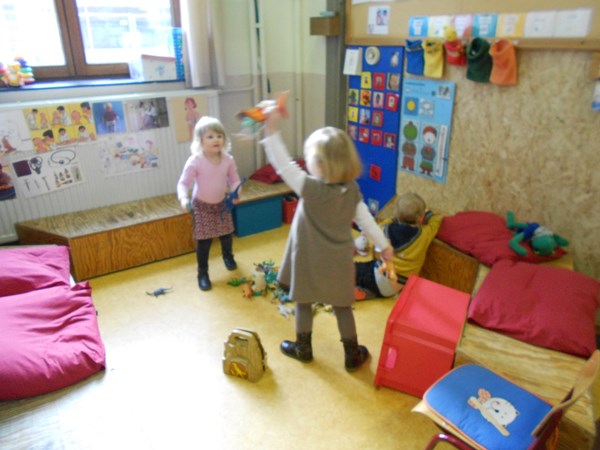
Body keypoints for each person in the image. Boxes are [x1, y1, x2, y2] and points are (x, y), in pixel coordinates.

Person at [261, 107, 395, 372]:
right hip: (338, 261)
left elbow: (283, 165)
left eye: (310, 158)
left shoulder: (309, 187)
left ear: (320, 164)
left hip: (308, 258)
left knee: (303, 302)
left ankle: (303, 348)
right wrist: (384, 246)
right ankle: (352, 354)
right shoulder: (352, 190)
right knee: (343, 306)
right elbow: (366, 222)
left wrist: (271, 130)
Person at [177, 116, 242, 292]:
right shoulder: (195, 161)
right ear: (200, 141)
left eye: (219, 136)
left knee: (226, 235)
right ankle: (203, 273)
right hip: (202, 206)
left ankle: (228, 256)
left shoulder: (228, 159)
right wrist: (183, 199)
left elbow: (235, 179)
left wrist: (237, 191)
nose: (216, 140)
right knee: (204, 242)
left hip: (222, 204)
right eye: (210, 136)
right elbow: (183, 183)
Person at [354, 192, 442, 300]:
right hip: (399, 285)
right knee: (370, 274)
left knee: (355, 269)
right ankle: (369, 292)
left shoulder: (386, 228)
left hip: (380, 275)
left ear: (398, 215)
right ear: (420, 218)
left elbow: (382, 225)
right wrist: (428, 214)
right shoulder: (425, 234)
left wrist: (394, 218)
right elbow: (437, 220)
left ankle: (362, 290)